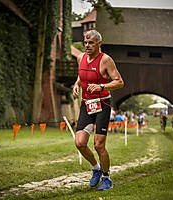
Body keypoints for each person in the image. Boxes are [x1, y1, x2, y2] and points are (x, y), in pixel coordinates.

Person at [73, 30, 124, 190]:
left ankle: (107, 178)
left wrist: (102, 86)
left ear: (99, 44)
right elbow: (82, 76)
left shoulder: (106, 60)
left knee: (98, 145)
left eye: (91, 43)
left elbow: (119, 82)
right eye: (85, 43)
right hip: (86, 104)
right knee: (79, 143)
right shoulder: (81, 57)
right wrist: (76, 84)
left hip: (102, 104)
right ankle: (96, 168)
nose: (87, 46)